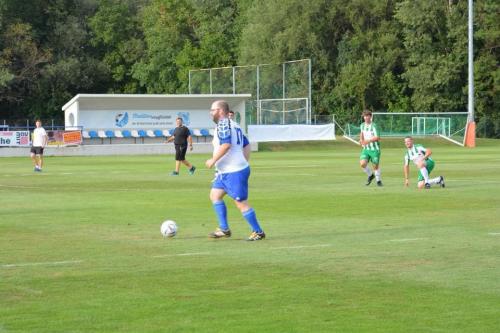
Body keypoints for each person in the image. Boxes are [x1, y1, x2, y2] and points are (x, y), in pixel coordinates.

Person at [205, 100, 265, 241]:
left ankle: (258, 231)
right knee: (215, 195)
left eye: (212, 110)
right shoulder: (234, 124)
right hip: (226, 172)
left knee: (241, 203)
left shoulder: (224, 124)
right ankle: (224, 229)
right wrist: (243, 161)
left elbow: (226, 145)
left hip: (233, 172)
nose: (211, 113)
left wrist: (212, 161)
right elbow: (246, 145)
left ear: (220, 111)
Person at [359, 110, 382, 186]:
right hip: (366, 149)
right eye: (364, 116)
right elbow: (362, 133)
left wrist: (368, 141)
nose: (366, 118)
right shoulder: (362, 125)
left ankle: (378, 181)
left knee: (375, 166)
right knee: (362, 164)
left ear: (370, 117)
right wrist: (361, 140)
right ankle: (370, 175)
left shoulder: (374, 125)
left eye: (367, 116)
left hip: (375, 149)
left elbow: (378, 137)